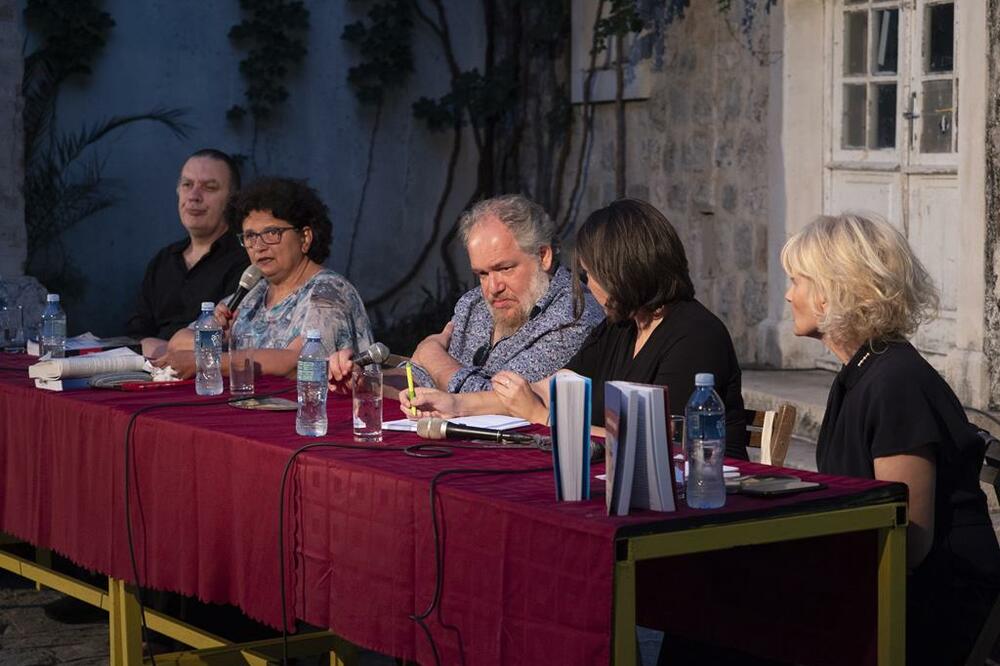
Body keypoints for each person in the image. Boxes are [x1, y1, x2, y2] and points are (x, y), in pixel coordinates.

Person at [361, 199, 748, 458]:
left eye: (592, 273)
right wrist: (456, 405)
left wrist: (546, 419)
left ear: (627, 271)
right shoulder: (623, 328)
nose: (588, 284)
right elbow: (549, 387)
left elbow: (658, 445)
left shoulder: (695, 335)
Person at [781, 213, 1000, 664]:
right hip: (884, 587)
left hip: (936, 606)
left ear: (831, 290)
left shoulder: (895, 382)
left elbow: (908, 543)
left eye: (796, 280)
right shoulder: (859, 375)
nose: (788, 294)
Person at [156, 177, 373, 378]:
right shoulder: (254, 293)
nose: (259, 246)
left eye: (271, 233)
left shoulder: (329, 293)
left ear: (305, 237)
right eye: (250, 236)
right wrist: (212, 333)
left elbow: (297, 360)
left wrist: (207, 361)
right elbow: (176, 344)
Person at [401, 194, 604, 393]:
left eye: (504, 269)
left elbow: (497, 401)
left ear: (543, 257)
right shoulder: (473, 304)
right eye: (482, 274)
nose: (492, 288)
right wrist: (375, 381)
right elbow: (423, 379)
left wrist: (431, 356)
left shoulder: (574, 316)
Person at [125, 149, 250, 357]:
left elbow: (233, 339)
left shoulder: (246, 260)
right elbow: (135, 335)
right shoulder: (163, 260)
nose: (194, 196)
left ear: (232, 199)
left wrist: (170, 350)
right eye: (187, 185)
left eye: (209, 187)